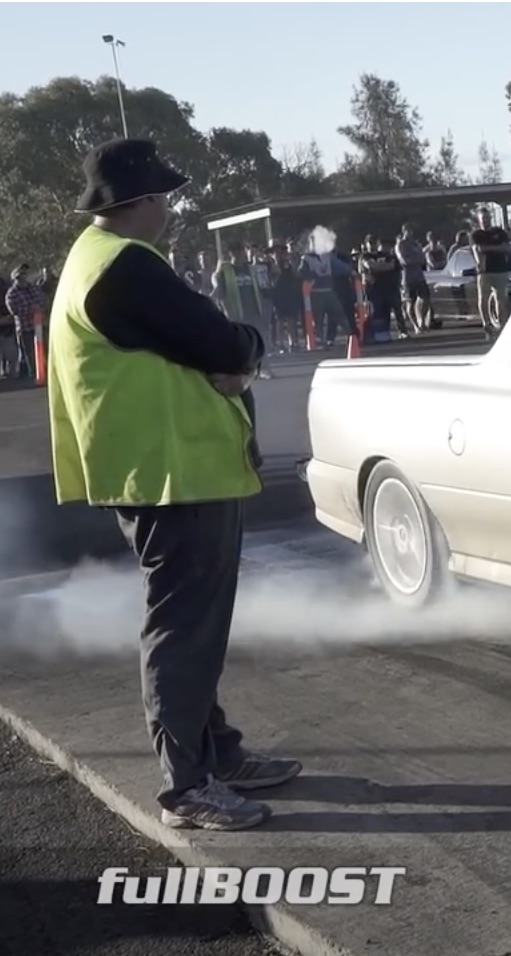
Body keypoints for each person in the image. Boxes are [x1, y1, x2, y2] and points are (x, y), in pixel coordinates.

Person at [47, 138, 301, 831]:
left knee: (193, 623)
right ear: (145, 202)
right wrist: (243, 358)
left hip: (158, 469)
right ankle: (187, 785)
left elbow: (200, 343)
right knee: (183, 627)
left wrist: (231, 360)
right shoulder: (126, 267)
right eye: (166, 198)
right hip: (172, 473)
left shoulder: (93, 260)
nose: (172, 210)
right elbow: (221, 341)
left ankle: (216, 754)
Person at [469, 208, 511, 338]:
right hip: (484, 271)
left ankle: (502, 325)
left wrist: (488, 248)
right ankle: (486, 325)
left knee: (501, 299)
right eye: (483, 219)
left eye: (487, 218)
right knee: (483, 298)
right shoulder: (476, 235)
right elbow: (477, 249)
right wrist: (495, 249)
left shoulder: (499, 232)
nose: (486, 221)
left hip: (499, 269)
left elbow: (506, 248)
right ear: (479, 220)